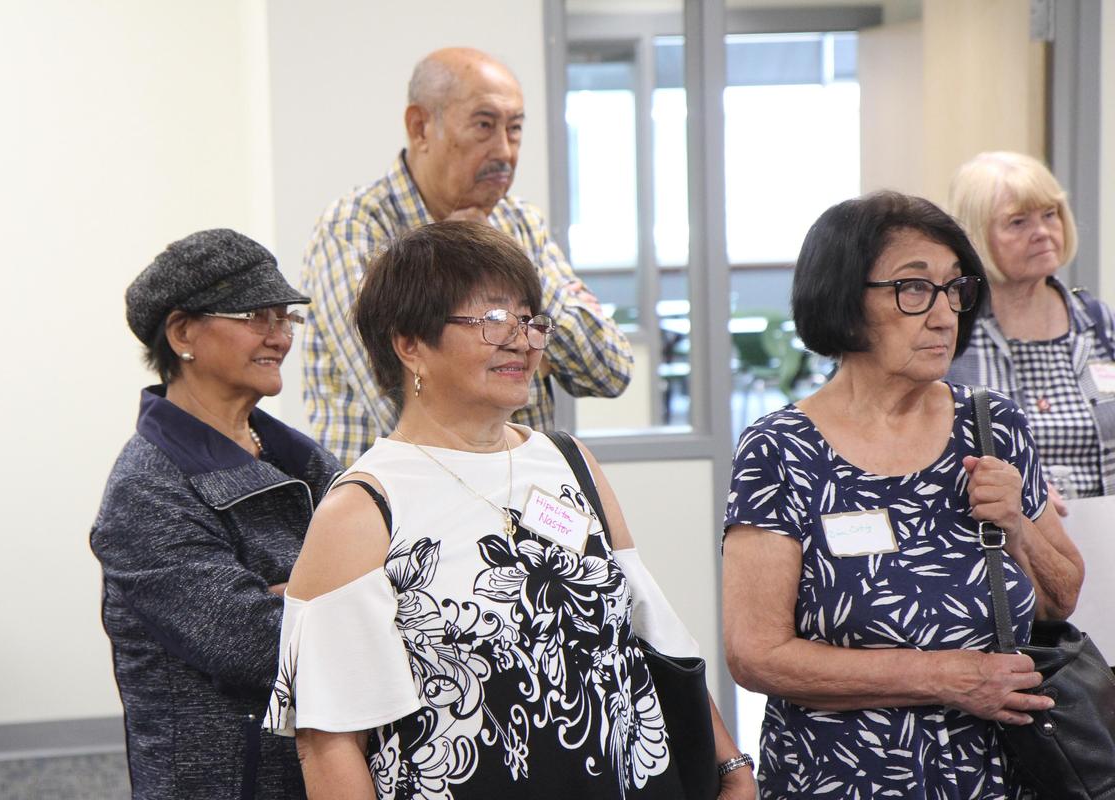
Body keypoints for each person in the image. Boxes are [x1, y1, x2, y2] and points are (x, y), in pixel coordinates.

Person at [264, 221, 755, 799]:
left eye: (529, 320)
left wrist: (731, 768)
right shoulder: (364, 507)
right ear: (410, 345)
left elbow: (647, 631)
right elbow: (329, 740)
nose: (521, 340)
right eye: (493, 320)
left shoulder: (570, 463)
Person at [722, 192, 1084, 798]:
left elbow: (1062, 598)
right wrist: (946, 677)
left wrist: (1017, 526)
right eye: (913, 290)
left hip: (999, 775)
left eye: (954, 290)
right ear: (844, 298)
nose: (944, 315)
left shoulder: (991, 427)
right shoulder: (780, 449)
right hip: (838, 776)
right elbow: (756, 655)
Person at [92, 229, 342, 799]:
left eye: (287, 319)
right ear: (183, 333)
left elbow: (400, 577)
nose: (280, 337)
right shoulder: (145, 491)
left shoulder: (301, 458)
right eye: (257, 316)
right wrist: (345, 596)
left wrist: (294, 594)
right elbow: (259, 645)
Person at [302, 46, 633, 464]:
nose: (505, 151)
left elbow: (611, 369)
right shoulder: (356, 229)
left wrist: (496, 251)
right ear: (420, 126)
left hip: (520, 496)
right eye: (484, 125)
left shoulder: (519, 223)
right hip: (394, 507)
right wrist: (536, 361)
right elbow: (395, 393)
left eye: (514, 129)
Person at [947, 151, 1115, 510]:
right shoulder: (952, 332)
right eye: (1018, 222)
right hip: (1001, 547)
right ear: (976, 235)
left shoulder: (1097, 323)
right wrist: (1023, 489)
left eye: (1050, 215)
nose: (1042, 232)